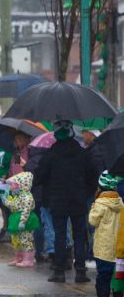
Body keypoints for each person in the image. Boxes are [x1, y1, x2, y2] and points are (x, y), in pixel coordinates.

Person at [33, 121, 96, 283]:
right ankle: (80, 271)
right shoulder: (82, 153)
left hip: (57, 200)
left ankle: (59, 271)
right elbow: (92, 178)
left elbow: (39, 177)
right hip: (78, 200)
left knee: (60, 235)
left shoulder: (50, 154)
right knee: (80, 235)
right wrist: (85, 194)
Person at [87, 171, 124, 297]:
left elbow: (93, 221)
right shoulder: (120, 202)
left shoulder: (100, 203)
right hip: (118, 246)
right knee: (118, 275)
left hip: (104, 247)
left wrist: (93, 207)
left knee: (103, 275)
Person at [0, 172, 39, 268]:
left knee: (25, 239)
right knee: (17, 240)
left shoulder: (27, 197)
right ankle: (19, 258)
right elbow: (14, 205)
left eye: (13, 185)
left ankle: (28, 260)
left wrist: (23, 221)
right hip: (16, 218)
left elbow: (26, 210)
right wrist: (5, 201)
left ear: (21, 185)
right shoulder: (19, 196)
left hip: (24, 220)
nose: (11, 187)